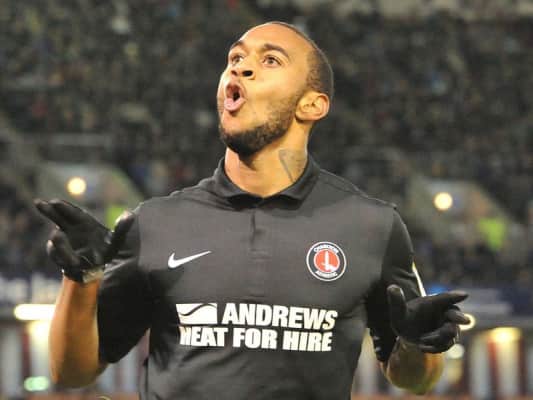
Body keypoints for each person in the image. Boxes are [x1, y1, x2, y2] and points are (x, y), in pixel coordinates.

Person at [35, 21, 470, 400]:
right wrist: (81, 280)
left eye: (270, 60)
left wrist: (419, 344)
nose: (240, 68)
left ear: (312, 104)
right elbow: (72, 371)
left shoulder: (372, 226)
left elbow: (415, 380)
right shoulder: (154, 223)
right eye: (235, 59)